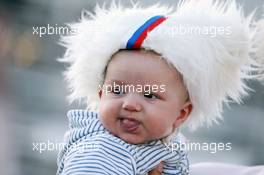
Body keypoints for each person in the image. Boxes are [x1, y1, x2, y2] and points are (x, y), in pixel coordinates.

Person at [56, 0, 261, 174]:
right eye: (117, 91)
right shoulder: (100, 150)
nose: (130, 104)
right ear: (101, 96)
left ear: (181, 114)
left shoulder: (162, 145)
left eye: (149, 95)